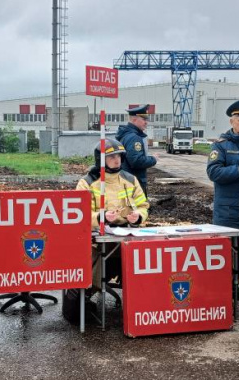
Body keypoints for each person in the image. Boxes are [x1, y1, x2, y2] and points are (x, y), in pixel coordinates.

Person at [63, 138, 150, 324]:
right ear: (101, 159)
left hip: (127, 234)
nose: (116, 160)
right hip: (98, 237)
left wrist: (139, 216)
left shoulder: (130, 179)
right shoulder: (87, 183)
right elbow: (80, 214)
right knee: (95, 260)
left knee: (146, 257)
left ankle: (144, 302)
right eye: (111, 157)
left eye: (118, 156)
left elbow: (143, 205)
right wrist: (101, 217)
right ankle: (84, 296)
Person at [207, 99, 239, 302]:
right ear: (231, 121)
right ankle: (223, 288)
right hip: (228, 211)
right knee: (226, 252)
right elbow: (214, 172)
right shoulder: (222, 146)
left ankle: (235, 286)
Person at [116, 105, 159, 194]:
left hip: (128, 180)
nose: (146, 122)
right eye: (144, 119)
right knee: (139, 207)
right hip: (134, 183)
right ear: (134, 119)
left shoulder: (126, 135)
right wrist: (153, 159)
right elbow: (137, 161)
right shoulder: (134, 138)